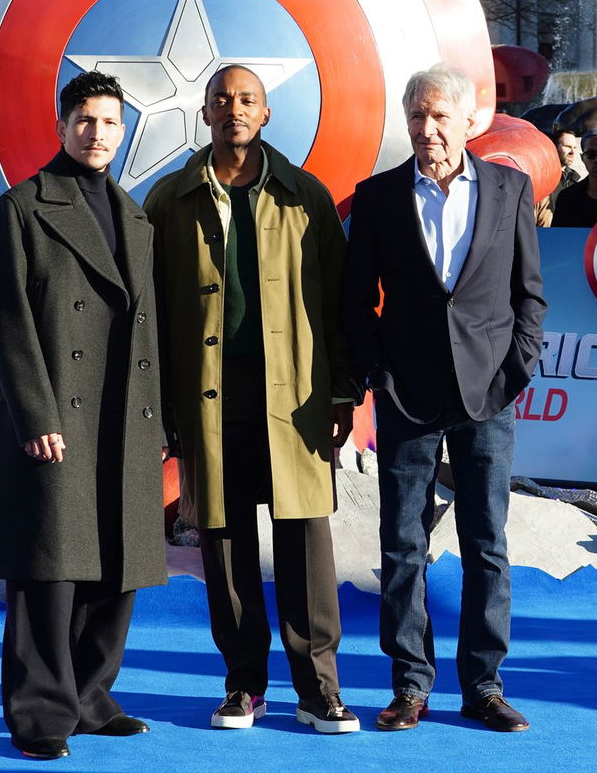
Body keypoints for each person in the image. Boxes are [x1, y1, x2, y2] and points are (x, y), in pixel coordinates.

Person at [144, 64, 359, 735]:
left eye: (247, 100)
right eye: (221, 100)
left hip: (294, 395)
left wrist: (344, 392)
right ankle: (243, 685)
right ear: (204, 114)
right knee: (226, 542)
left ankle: (319, 688)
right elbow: (149, 312)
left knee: (304, 539)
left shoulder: (305, 198)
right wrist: (158, 407)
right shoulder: (169, 199)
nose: (233, 109)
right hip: (209, 395)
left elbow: (338, 303)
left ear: (265, 114)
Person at [341, 65, 546, 734]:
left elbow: (528, 294)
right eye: (417, 117)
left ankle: (484, 686)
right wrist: (378, 373)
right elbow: (354, 300)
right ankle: (409, 686)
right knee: (402, 545)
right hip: (407, 395)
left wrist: (517, 369)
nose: (427, 130)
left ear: (466, 122)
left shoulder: (510, 189)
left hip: (488, 393)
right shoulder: (375, 199)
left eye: (439, 116)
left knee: (486, 541)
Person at [0, 71, 166, 761]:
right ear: (61, 127)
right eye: (84, 119)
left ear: (124, 131)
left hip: (125, 411)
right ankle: (40, 712)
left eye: (110, 121)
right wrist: (35, 414)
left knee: (117, 562)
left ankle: (92, 697)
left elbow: (150, 328)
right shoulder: (22, 208)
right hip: (59, 412)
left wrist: (159, 418)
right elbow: (6, 320)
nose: (97, 132)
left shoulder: (136, 216)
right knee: (50, 568)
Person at [534, 129, 582, 227]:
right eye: (567, 147)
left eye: (574, 147)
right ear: (554, 147)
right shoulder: (541, 179)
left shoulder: (574, 181)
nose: (572, 152)